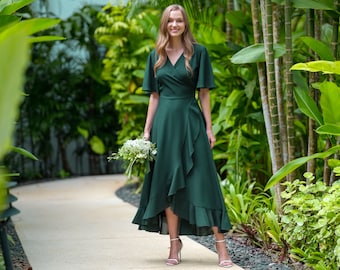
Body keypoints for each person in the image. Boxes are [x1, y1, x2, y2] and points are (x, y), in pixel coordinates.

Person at [132, 4, 233, 268]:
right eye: (170, 21)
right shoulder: (156, 55)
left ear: (185, 23)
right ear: (164, 25)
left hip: (191, 122)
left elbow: (204, 94)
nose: (174, 25)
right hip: (164, 125)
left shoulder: (198, 52)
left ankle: (221, 246)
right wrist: (146, 130)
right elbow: (154, 96)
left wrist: (209, 128)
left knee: (203, 181)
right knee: (167, 184)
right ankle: (174, 244)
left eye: (178, 20)